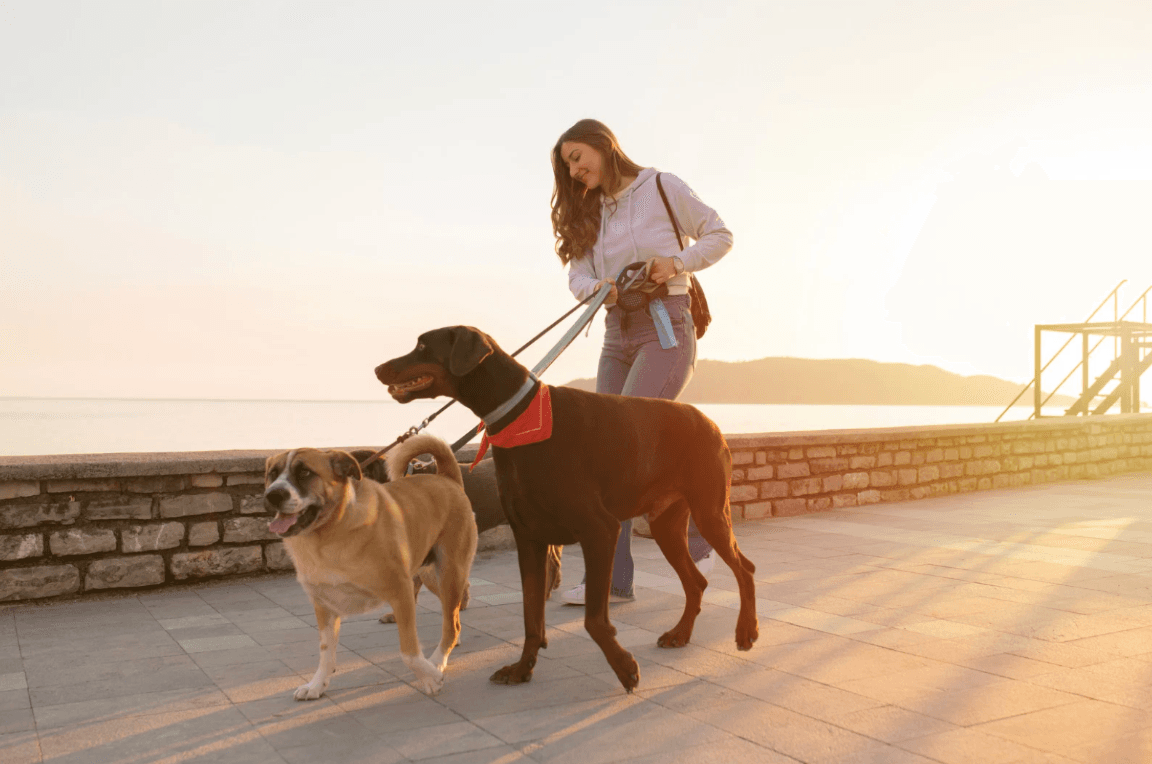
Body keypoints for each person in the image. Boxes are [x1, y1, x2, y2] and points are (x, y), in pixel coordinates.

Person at [550, 118, 734, 605]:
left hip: (665, 328)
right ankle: (612, 579)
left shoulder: (661, 186)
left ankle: (696, 542)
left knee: (622, 447)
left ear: (603, 146)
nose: (573, 172)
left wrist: (676, 264)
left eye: (576, 158)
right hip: (616, 334)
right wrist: (597, 289)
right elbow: (578, 275)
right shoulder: (591, 213)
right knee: (601, 453)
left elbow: (720, 234)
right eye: (566, 166)